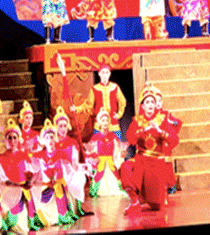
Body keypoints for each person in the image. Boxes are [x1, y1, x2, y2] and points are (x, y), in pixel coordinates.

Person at [120, 84, 179, 214]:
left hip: (156, 164)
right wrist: (144, 129)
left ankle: (148, 197)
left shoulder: (162, 120)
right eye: (147, 102)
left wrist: (161, 132)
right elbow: (131, 138)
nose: (150, 104)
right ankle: (134, 201)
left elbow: (174, 140)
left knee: (155, 206)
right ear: (143, 106)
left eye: (152, 101)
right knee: (125, 167)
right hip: (141, 160)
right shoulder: (137, 121)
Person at [0, 118, 43, 232]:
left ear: (18, 139)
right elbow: (1, 180)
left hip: (23, 192)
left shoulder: (23, 156)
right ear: (5, 140)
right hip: (8, 193)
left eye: (15, 137)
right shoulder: (0, 158)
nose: (12, 140)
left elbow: (33, 171)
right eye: (9, 138)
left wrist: (29, 181)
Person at [32, 118, 78, 226]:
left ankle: (62, 215)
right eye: (47, 138)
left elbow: (69, 169)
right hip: (46, 185)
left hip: (59, 183)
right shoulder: (40, 155)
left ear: (55, 138)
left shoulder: (61, 154)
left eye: (52, 137)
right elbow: (30, 162)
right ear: (44, 140)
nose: (50, 140)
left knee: (60, 191)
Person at [71, 63, 127, 140]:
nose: (105, 75)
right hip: (99, 124)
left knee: (116, 144)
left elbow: (122, 101)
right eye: (103, 73)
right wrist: (77, 109)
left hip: (113, 124)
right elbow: (87, 105)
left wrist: (119, 114)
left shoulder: (115, 87)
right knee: (97, 145)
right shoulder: (94, 89)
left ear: (109, 74)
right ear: (99, 74)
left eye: (106, 73)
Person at [84, 108, 125, 197]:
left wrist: (120, 154)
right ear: (99, 123)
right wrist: (93, 159)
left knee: (115, 185)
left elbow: (117, 151)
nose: (105, 122)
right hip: (100, 164)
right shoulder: (95, 138)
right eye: (103, 120)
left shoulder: (113, 137)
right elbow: (89, 153)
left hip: (111, 164)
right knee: (99, 182)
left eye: (107, 120)